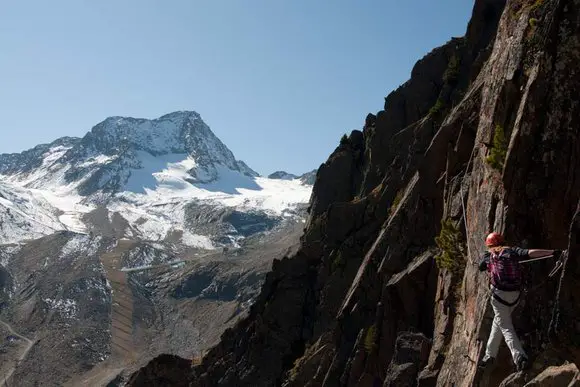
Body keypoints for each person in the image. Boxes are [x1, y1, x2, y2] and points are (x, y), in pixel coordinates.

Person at [478, 232, 562, 371]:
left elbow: (481, 266)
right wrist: (553, 252)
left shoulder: (489, 257)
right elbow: (531, 253)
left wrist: (485, 259)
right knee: (498, 322)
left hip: (499, 297)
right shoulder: (513, 251)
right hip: (515, 296)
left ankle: (519, 357)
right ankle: (489, 356)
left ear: (490, 245)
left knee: (505, 327)